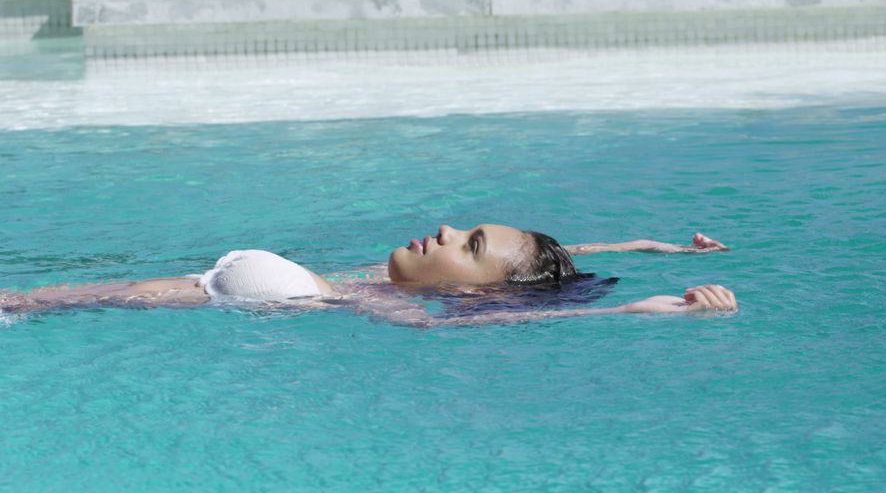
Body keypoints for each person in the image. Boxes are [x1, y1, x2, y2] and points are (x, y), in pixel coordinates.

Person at [0, 225, 737, 327]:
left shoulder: (387, 308)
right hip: (54, 303)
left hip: (45, 307)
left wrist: (642, 308)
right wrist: (655, 247)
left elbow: (519, 314)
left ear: (474, 287)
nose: (444, 228)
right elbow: (573, 250)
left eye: (469, 243)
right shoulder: (367, 280)